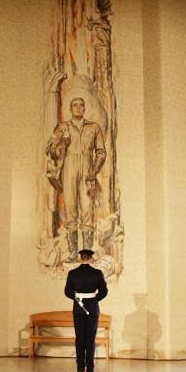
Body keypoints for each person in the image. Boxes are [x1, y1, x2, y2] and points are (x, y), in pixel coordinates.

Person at [46, 97, 107, 258]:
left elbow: (101, 152)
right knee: (70, 209)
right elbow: (50, 151)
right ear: (70, 109)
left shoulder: (94, 127)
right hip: (69, 168)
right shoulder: (63, 127)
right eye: (75, 105)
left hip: (87, 167)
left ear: (85, 108)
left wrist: (94, 171)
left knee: (87, 209)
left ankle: (86, 254)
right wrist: (58, 140)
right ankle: (73, 253)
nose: (78, 108)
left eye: (81, 105)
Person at [63, 248, 108, 372]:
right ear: (91, 258)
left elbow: (67, 292)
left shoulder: (73, 273)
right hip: (92, 309)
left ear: (80, 258)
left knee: (80, 338)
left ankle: (80, 367)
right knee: (90, 339)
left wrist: (77, 298)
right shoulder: (97, 273)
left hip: (78, 308)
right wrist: (94, 299)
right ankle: (90, 368)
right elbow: (104, 292)